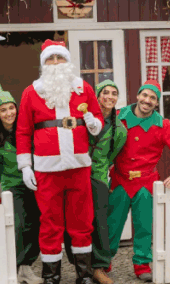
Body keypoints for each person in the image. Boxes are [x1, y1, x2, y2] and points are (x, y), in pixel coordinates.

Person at [16, 40, 104, 284]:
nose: (56, 63)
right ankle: (51, 275)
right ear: (44, 63)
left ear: (67, 61)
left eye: (60, 58)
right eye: (50, 59)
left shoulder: (82, 88)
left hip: (79, 165)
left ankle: (84, 275)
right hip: (47, 167)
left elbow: (96, 116)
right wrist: (25, 166)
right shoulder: (31, 92)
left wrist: (95, 123)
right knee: (50, 222)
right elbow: (23, 131)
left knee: (82, 221)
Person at [105, 80, 170, 282]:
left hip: (145, 183)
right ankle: (103, 263)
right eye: (145, 95)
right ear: (137, 96)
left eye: (153, 98)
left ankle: (142, 264)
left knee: (144, 225)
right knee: (111, 225)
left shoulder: (162, 125)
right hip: (119, 180)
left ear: (156, 103)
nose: (147, 100)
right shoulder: (118, 116)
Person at [64, 80, 126, 284]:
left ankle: (99, 268)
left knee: (100, 222)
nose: (109, 96)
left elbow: (112, 155)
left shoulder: (119, 130)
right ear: (97, 96)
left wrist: (101, 170)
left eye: (114, 93)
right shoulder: (83, 118)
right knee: (74, 219)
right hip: (76, 173)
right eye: (105, 92)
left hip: (98, 177)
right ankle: (81, 267)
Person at [0, 87, 43, 284]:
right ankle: (19, 267)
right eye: (3, 110)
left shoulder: (27, 131)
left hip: (34, 184)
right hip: (12, 186)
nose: (9, 113)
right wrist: (9, 184)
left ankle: (27, 266)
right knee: (19, 226)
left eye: (11, 108)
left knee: (36, 223)